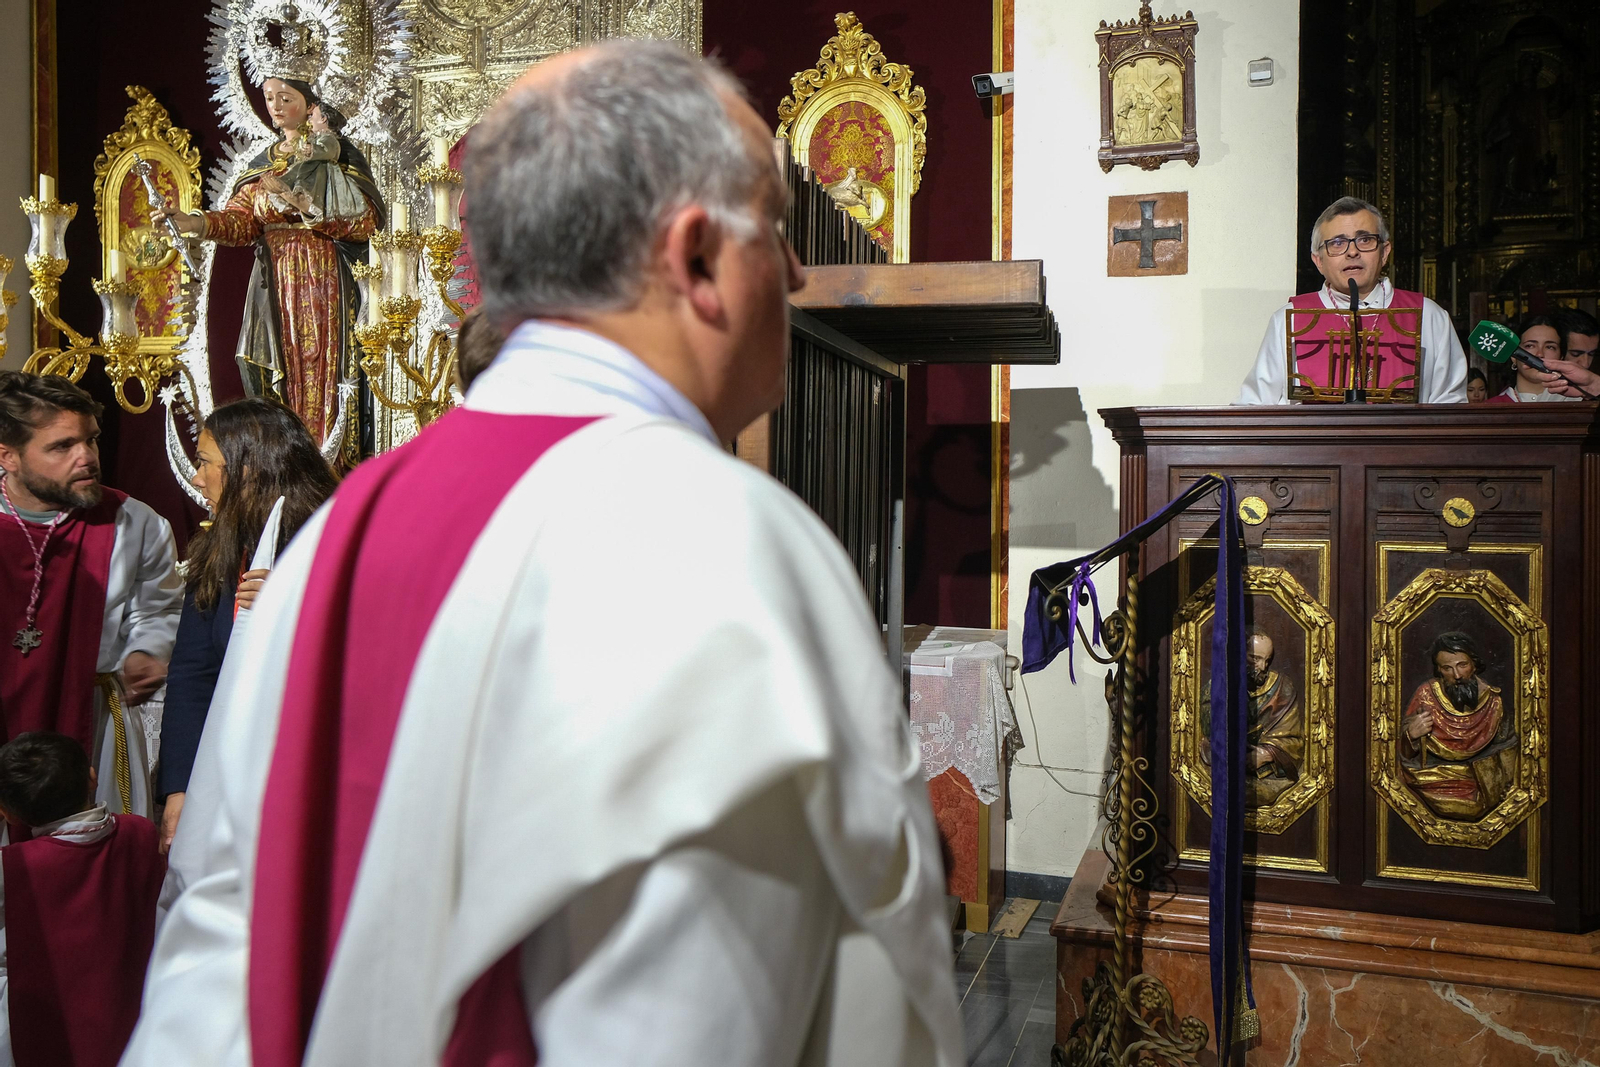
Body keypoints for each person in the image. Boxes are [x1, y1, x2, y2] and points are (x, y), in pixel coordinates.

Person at [127, 40, 960, 1067]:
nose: (796, 273)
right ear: (697, 257)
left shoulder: (330, 541)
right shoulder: (720, 542)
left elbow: (218, 932)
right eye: (779, 232)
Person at [153, 75, 384, 450]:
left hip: (324, 276)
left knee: (324, 366)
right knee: (278, 368)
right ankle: (285, 460)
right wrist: (193, 222)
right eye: (269, 97)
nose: (275, 106)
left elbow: (367, 221)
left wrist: (313, 212)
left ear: (311, 106)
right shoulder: (262, 166)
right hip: (274, 282)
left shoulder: (337, 156)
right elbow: (240, 222)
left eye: (285, 97)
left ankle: (331, 461)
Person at [156, 399, 338, 853]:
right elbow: (193, 673)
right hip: (229, 765)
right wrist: (179, 788)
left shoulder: (333, 535)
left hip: (316, 764)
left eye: (205, 463)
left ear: (250, 469)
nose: (197, 479)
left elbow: (378, 648)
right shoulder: (221, 544)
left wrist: (298, 605)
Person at [0, 372, 181, 822]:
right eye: (61, 447)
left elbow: (159, 608)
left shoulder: (133, 522)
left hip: (93, 714)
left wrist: (146, 650)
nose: (86, 458)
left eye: (91, 441)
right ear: (8, 457)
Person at [0, 732, 165, 1067]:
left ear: (8, 814)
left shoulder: (11, 867)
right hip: (134, 1016)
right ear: (92, 777)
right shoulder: (142, 832)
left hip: (45, 1029)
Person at [1237, 197, 1467, 404]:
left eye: (1365, 240)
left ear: (1385, 252)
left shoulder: (1429, 316)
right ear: (1318, 261)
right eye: (1337, 243)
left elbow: (1451, 409)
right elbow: (1256, 408)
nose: (1352, 252)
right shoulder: (1290, 319)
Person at [1400, 632, 1515, 820]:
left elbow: (1508, 754)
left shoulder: (1494, 704)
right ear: (1439, 670)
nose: (1457, 675)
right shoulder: (1426, 695)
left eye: (1463, 665)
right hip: (1432, 782)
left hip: (1479, 783)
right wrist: (1411, 736)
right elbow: (1400, 753)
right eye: (1447, 668)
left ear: (1474, 665)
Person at [1486, 315, 1579, 403]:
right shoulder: (1492, 408)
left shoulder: (1579, 403)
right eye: (1530, 346)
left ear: (1561, 357)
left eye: (1550, 347)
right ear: (1513, 357)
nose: (1539, 354)